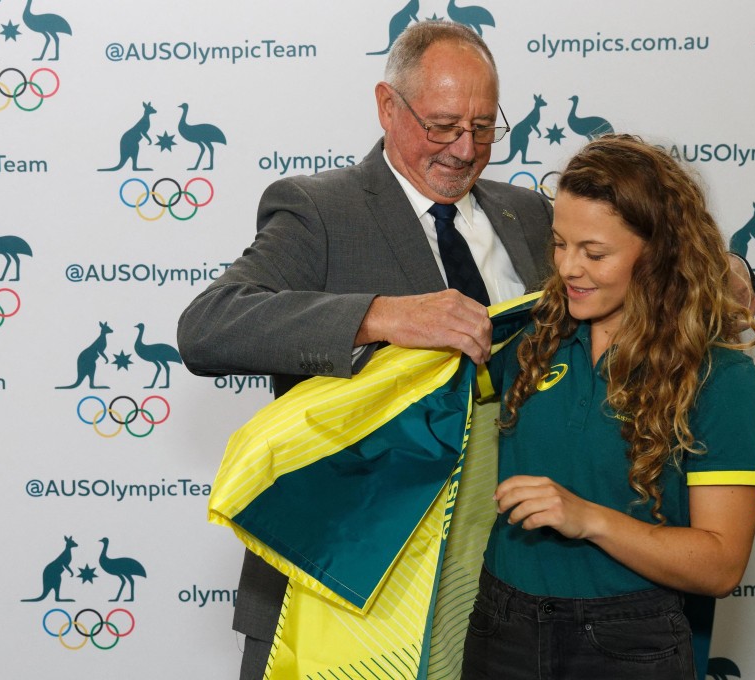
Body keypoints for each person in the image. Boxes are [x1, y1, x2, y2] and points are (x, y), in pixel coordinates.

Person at [177, 21, 555, 679]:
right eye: (441, 125)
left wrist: (722, 271)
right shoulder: (319, 210)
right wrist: (382, 317)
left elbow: (631, 259)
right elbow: (209, 326)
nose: (464, 149)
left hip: (497, 601)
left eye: (484, 127)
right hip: (343, 595)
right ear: (387, 107)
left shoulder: (532, 214)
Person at [461, 135, 755, 680]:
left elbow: (721, 563)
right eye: (559, 244)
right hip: (500, 624)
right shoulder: (529, 338)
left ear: (657, 251)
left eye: (594, 252)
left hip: (631, 638)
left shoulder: (719, 374)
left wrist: (589, 520)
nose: (569, 268)